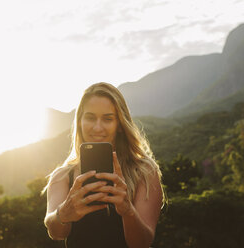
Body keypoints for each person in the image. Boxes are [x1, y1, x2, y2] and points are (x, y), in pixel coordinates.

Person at [43, 82, 164, 248]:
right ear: (80, 122)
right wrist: (63, 213)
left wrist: (128, 211)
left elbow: (142, 243)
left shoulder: (144, 172)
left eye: (108, 119)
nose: (97, 127)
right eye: (90, 117)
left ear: (120, 125)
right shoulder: (63, 176)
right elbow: (56, 232)